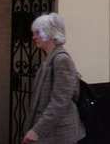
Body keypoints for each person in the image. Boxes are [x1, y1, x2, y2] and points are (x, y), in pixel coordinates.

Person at [23, 13, 85, 144]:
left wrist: (36, 131)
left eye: (37, 33)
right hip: (50, 132)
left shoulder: (61, 60)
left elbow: (60, 102)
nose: (34, 37)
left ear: (50, 34)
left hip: (59, 134)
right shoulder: (49, 58)